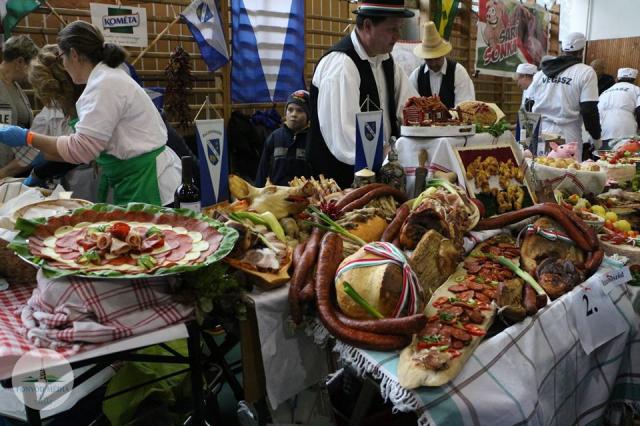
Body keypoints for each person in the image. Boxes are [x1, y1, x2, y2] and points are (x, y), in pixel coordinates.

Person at [0, 21, 181, 206]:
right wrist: (47, 154)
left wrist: (28, 137)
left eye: (62, 57)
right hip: (134, 175)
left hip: (146, 180)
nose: (63, 64)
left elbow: (82, 150)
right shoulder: (105, 78)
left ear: (74, 54)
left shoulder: (103, 85)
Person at [308, 0, 418, 188]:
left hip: (378, 179)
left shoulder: (386, 61)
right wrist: (391, 155)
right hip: (340, 187)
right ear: (367, 26)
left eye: (399, 29)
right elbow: (346, 139)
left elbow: (410, 107)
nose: (397, 36)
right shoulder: (341, 66)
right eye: (392, 29)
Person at [525, 32, 602, 159]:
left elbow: (528, 104)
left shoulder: (542, 73)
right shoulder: (586, 72)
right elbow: (589, 110)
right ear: (582, 51)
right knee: (568, 175)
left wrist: (532, 134)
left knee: (540, 173)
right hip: (567, 136)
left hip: (542, 132)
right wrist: (596, 137)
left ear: (562, 49)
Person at [0, 35, 41, 179]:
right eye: (31, 65)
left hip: (14, 170)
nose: (32, 70)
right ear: (20, 62)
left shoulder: (16, 86)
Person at [409, 21, 475, 108]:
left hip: (454, 121)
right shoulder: (416, 75)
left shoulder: (458, 72)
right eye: (429, 60)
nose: (433, 63)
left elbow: (465, 107)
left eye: (437, 58)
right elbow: (410, 106)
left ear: (443, 54)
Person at [255, 90, 311, 186]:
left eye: (300, 110)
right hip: (276, 197)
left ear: (308, 115)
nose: (293, 114)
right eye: (290, 109)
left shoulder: (313, 140)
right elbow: (262, 170)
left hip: (306, 198)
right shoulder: (274, 137)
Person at [598, 68, 640, 145]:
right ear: (634, 80)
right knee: (624, 155)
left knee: (604, 155)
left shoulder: (605, 92)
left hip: (603, 129)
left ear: (617, 79)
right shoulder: (637, 90)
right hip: (625, 129)